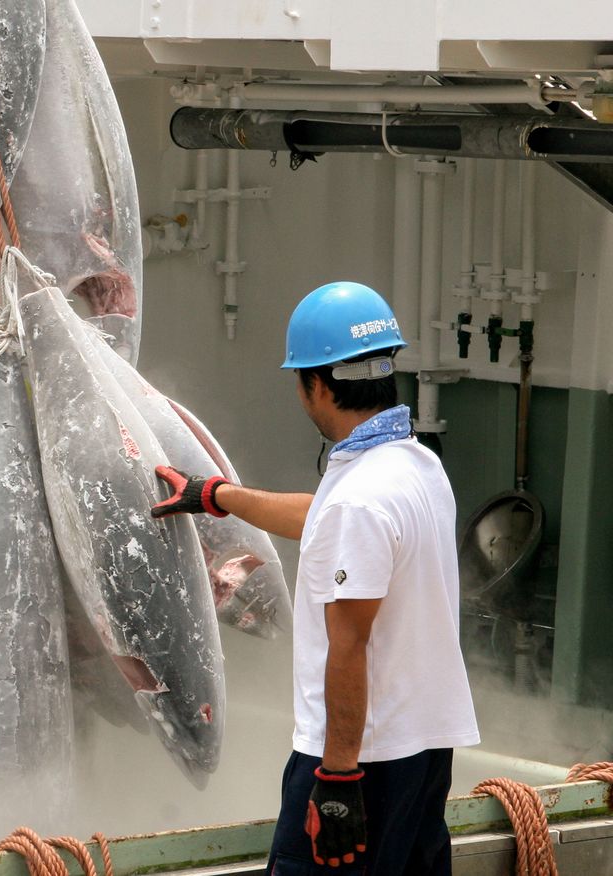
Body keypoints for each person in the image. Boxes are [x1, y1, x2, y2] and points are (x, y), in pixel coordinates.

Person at [152, 281, 479, 875]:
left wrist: (336, 782)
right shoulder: (415, 465)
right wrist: (216, 496)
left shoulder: (360, 500)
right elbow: (327, 516)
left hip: (363, 763)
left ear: (318, 385)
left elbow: (347, 646)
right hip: (424, 752)